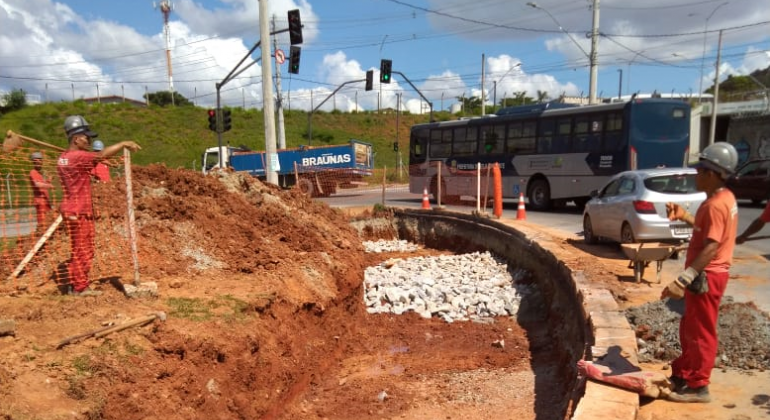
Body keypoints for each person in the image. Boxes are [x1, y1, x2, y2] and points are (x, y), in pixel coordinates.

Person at [662, 142, 739, 403]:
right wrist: (685, 216)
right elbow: (709, 231)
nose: (697, 175)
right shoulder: (724, 198)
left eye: (701, 170)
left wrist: (684, 279)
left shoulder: (715, 205)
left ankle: (698, 386)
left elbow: (711, 245)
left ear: (714, 173)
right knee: (690, 327)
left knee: (701, 331)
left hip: (707, 276)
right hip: (706, 274)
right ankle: (683, 373)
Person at [57, 115, 141, 296]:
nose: (88, 140)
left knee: (76, 248)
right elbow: (100, 155)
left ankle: (74, 283)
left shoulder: (63, 158)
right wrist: (122, 144)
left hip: (69, 208)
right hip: (80, 210)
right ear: (76, 138)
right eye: (86, 137)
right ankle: (80, 287)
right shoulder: (78, 156)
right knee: (84, 249)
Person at [29, 151, 54, 233]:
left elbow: (43, 185)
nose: (39, 161)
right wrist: (48, 185)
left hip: (46, 201)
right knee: (43, 223)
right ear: (33, 161)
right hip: (40, 202)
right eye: (36, 160)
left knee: (49, 220)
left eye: (40, 160)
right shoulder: (33, 172)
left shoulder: (40, 174)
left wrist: (48, 181)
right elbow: (37, 184)